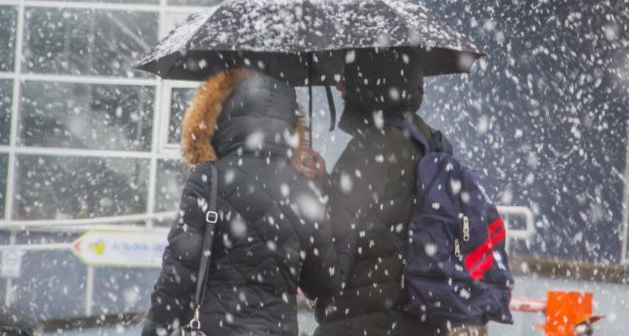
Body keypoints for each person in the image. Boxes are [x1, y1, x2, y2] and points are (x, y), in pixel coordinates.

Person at [142, 68, 353, 335]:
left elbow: (179, 273)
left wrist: (155, 328)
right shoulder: (304, 191)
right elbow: (323, 284)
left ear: (230, 116)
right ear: (289, 126)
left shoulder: (210, 178)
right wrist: (346, 231)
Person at [314, 48, 441, 336]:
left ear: (369, 80)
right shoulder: (427, 139)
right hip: (418, 311)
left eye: (347, 75)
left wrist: (313, 185)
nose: (338, 84)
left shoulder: (372, 147)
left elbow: (334, 225)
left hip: (364, 316)